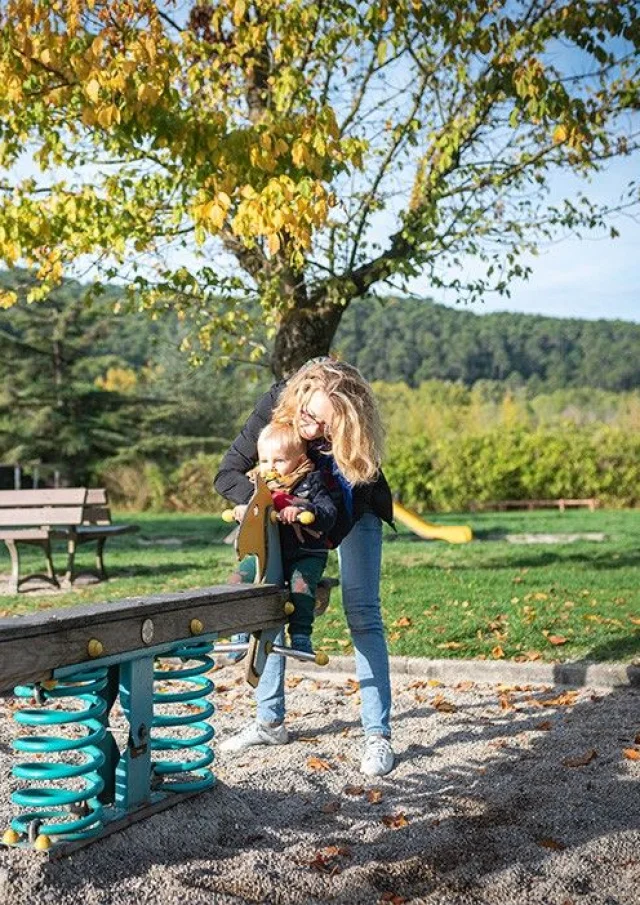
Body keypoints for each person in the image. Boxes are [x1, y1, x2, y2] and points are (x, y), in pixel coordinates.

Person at [214, 358, 395, 777]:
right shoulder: (276, 405)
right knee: (272, 598)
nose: (312, 430)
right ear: (299, 397)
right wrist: (269, 504)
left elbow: (339, 519)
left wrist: (311, 568)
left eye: (325, 428)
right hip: (287, 508)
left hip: (349, 511)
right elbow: (226, 475)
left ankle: (377, 734)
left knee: (363, 611)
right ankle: (269, 721)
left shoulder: (353, 444)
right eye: (310, 417)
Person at [226, 419, 339, 655]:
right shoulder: (259, 486)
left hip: (304, 553)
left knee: (301, 585)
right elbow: (252, 508)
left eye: (279, 460)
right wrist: (242, 511)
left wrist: (304, 511)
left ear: (299, 461)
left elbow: (328, 513)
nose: (270, 467)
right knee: (238, 579)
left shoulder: (312, 482)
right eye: (265, 460)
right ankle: (240, 630)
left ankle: (300, 634)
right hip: (268, 552)